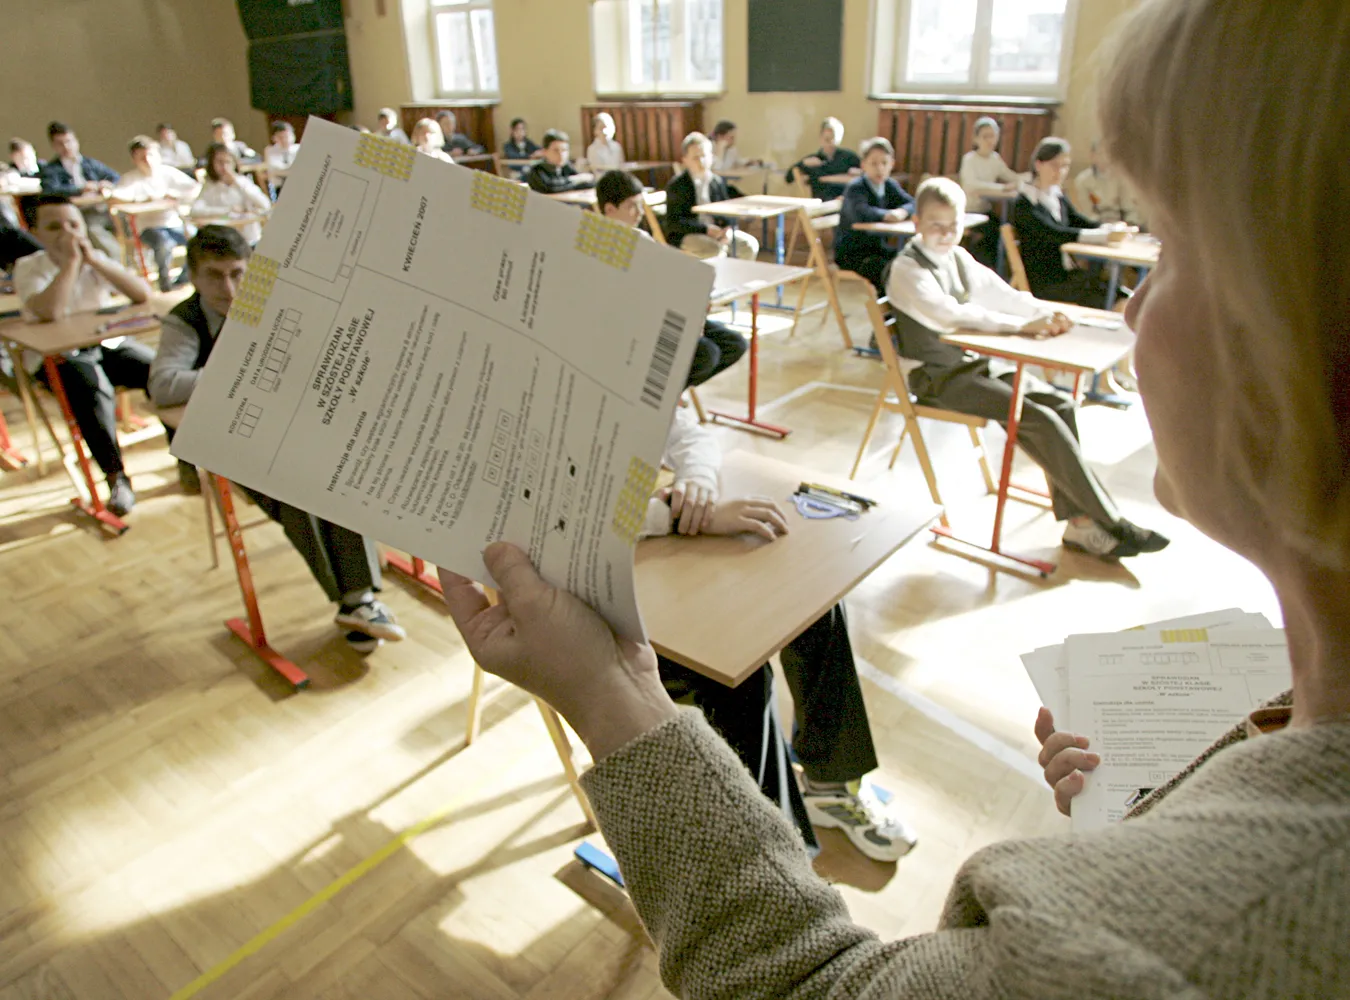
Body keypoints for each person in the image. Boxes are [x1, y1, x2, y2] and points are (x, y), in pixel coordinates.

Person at [440, 3, 1350, 986]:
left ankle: (825, 785)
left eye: (1172, 249)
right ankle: (793, 811)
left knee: (802, 595)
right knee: (737, 665)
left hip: (662, 541)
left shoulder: (1194, 932)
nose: (1132, 307)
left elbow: (681, 427)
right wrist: (1207, 779)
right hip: (619, 565)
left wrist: (681, 524)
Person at [150, 226, 407, 652]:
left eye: (237, 273)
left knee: (332, 470)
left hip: (291, 425)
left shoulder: (273, 300)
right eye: (214, 276)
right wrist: (241, 368)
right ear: (193, 277)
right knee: (292, 486)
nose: (229, 289)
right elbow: (163, 386)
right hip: (234, 440)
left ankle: (357, 602)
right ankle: (358, 600)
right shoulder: (185, 320)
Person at [886, 177, 1167, 559]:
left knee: (1060, 404)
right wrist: (1022, 327)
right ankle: (1112, 521)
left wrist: (1044, 313)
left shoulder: (958, 257)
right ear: (917, 223)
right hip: (936, 379)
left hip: (975, 366)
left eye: (954, 225)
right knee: (1038, 419)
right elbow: (951, 315)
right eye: (936, 225)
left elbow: (1001, 293)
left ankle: (1080, 524)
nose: (947, 234)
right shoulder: (906, 269)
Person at [14, 195, 154, 515]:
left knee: (157, 369)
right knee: (92, 388)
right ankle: (116, 476)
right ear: (35, 233)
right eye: (55, 227)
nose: (68, 233)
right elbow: (50, 311)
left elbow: (141, 294)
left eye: (74, 225)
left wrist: (93, 261)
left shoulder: (96, 258)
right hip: (59, 357)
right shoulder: (29, 267)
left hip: (105, 345)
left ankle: (188, 458)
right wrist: (70, 265)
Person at [596, 169, 746, 389]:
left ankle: (670, 393)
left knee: (734, 343)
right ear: (610, 209)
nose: (640, 212)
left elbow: (668, 276)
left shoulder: (640, 237)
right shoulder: (600, 245)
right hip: (638, 326)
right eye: (632, 206)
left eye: (641, 204)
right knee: (706, 353)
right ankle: (658, 397)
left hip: (663, 313)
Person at [1011, 137, 1125, 306]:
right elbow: (1054, 233)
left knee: (1115, 290)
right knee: (1106, 296)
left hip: (1067, 274)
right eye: (1054, 165)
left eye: (1065, 166)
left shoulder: (1057, 195)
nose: (1060, 172)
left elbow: (1078, 220)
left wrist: (1107, 227)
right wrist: (1102, 236)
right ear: (1038, 164)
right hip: (1046, 280)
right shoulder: (1025, 202)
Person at [111, 136, 199, 291]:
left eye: (150, 155)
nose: (148, 161)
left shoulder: (168, 172)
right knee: (163, 243)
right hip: (148, 227)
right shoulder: (131, 179)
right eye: (142, 158)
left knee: (197, 239)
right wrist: (142, 200)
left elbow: (195, 188)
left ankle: (183, 279)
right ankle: (165, 283)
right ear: (134, 160)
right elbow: (115, 198)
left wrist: (176, 195)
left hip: (173, 223)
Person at [834, 136, 914, 291]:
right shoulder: (856, 188)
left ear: (892, 164)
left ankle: (895, 303)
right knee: (888, 271)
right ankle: (886, 305)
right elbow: (861, 212)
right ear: (863, 165)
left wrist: (902, 211)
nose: (880, 169)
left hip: (878, 249)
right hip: (854, 253)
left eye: (884, 163)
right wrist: (885, 215)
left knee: (908, 262)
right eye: (874, 163)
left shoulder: (889, 185)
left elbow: (913, 202)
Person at [663, 132, 758, 261]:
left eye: (704, 156)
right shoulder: (677, 185)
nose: (701, 161)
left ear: (711, 157)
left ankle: (739, 274)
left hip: (717, 232)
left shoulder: (716, 182)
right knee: (714, 249)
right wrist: (706, 229)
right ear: (685, 160)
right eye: (696, 158)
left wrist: (728, 229)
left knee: (749, 245)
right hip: (689, 233)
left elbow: (729, 211)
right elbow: (674, 222)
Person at [38, 122, 119, 255]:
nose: (66, 147)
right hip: (78, 212)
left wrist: (105, 184)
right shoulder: (51, 169)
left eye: (69, 141)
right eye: (60, 144)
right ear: (54, 146)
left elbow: (115, 177)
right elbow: (50, 190)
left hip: (101, 207)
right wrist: (80, 189)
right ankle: (115, 261)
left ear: (76, 141)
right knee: (95, 231)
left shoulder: (89, 163)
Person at [957, 116, 1020, 268]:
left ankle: (993, 268)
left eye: (993, 136)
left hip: (985, 211)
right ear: (976, 138)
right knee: (993, 233)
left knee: (1004, 231)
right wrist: (1002, 188)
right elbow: (971, 185)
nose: (989, 141)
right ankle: (975, 266)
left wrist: (1029, 178)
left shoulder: (995, 159)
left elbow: (1010, 176)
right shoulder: (969, 160)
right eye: (985, 136)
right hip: (969, 211)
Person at [191, 143, 271, 245]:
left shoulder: (243, 182)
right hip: (222, 239)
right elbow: (195, 210)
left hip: (247, 239)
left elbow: (265, 204)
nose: (224, 167)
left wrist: (238, 183)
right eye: (220, 162)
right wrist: (227, 210)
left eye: (227, 162)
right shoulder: (210, 186)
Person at [1075, 140, 1147, 229]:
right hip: (1097, 223)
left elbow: (1128, 207)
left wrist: (1128, 223)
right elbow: (1087, 211)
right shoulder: (1083, 180)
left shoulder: (1120, 177)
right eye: (1100, 153)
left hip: (1120, 222)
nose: (1105, 158)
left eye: (1108, 154)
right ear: (1092, 156)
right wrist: (1102, 225)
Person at [786, 117, 860, 201]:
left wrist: (856, 173)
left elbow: (865, 175)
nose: (831, 143)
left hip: (843, 201)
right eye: (827, 139)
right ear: (821, 138)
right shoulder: (813, 159)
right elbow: (789, 177)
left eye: (834, 139)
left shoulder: (848, 157)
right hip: (821, 203)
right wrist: (803, 163)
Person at [523, 131, 594, 194]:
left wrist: (581, 179)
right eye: (556, 150)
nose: (561, 155)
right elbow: (551, 187)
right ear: (545, 151)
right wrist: (575, 179)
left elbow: (586, 183)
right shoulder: (537, 170)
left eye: (564, 150)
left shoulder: (566, 167)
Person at [263, 122, 300, 195]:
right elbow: (275, 170)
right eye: (281, 137)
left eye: (287, 136)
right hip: (280, 188)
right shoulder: (270, 150)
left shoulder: (299, 148)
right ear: (274, 138)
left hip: (299, 183)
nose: (285, 140)